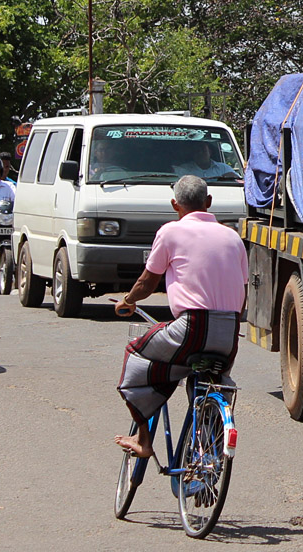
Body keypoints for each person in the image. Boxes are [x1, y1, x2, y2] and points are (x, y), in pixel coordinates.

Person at [114, 176, 246, 457]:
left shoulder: (171, 232)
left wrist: (128, 300)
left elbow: (147, 284)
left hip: (191, 328)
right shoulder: (233, 237)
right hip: (229, 333)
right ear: (208, 203)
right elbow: (243, 288)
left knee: (136, 355)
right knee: (210, 378)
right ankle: (207, 449)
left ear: (175, 205)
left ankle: (144, 441)